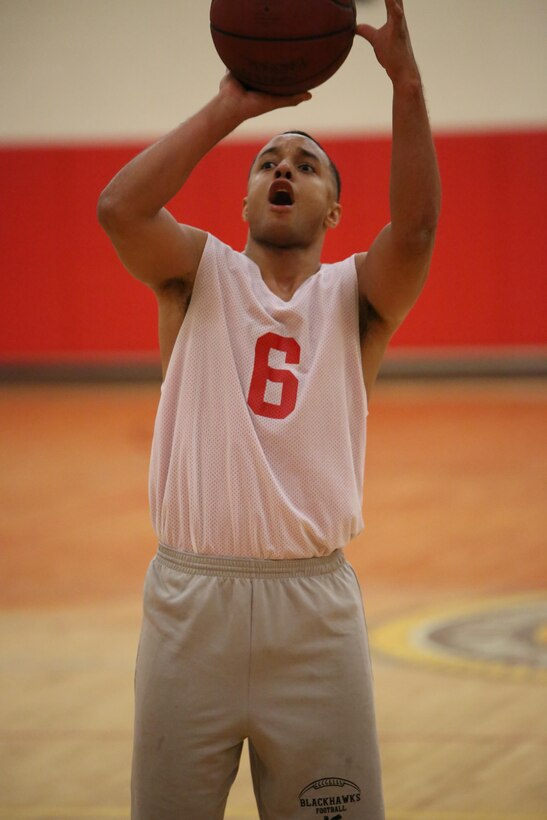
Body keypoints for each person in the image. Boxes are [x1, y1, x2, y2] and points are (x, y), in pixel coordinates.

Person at [98, 1, 440, 817]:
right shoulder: (195, 273)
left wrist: (405, 79)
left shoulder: (356, 298)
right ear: (244, 205)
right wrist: (232, 108)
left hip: (312, 615)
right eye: (267, 162)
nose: (283, 166)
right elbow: (118, 210)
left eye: (306, 163)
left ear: (332, 212)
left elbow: (419, 230)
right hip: (192, 605)